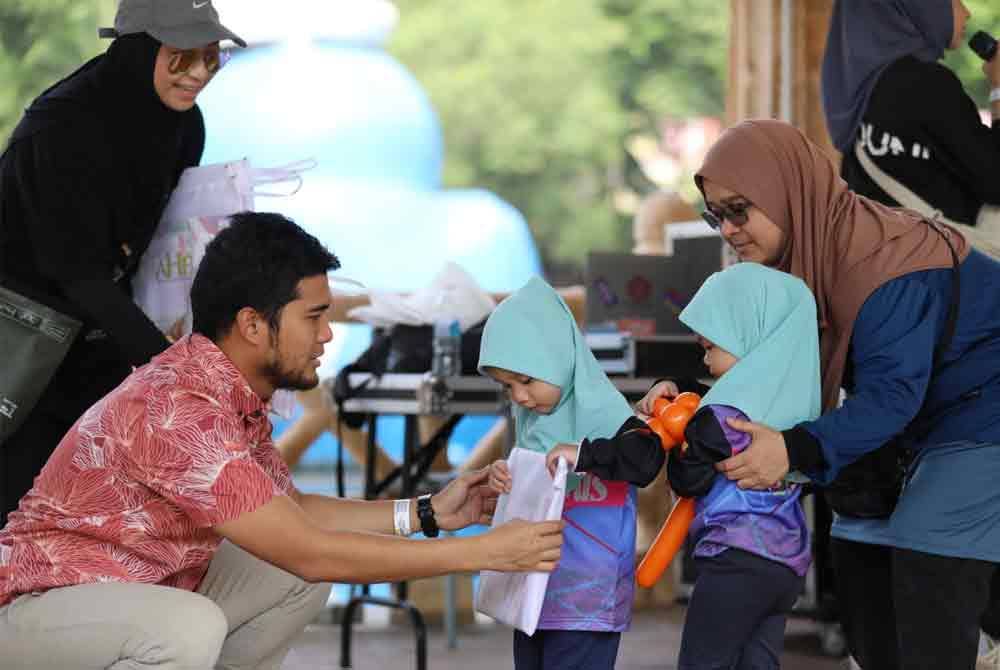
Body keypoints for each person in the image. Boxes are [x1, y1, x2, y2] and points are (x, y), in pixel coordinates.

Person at [0, 212, 564, 670]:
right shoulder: (179, 408)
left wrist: (425, 512)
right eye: (314, 317)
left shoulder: (228, 390)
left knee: (285, 577)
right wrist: (481, 553)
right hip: (35, 609)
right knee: (188, 627)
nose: (327, 334)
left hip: (136, 592)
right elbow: (311, 550)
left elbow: (292, 517)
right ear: (252, 324)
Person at [694, 118, 1000, 670]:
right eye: (715, 215)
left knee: (928, 542)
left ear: (789, 193)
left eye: (739, 209)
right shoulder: (809, 254)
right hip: (926, 416)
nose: (728, 229)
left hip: (985, 403)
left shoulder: (879, 268)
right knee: (858, 528)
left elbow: (888, 400)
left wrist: (791, 449)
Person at [0, 0, 245, 526]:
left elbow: (143, 250)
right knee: (15, 511)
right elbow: (77, 271)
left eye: (212, 57)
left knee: (87, 514)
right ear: (137, 50)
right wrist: (169, 369)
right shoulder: (61, 128)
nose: (200, 73)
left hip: (95, 336)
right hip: (19, 345)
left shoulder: (185, 126)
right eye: (182, 57)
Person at [637, 262, 820, 670]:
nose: (704, 361)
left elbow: (689, 481)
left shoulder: (717, 417)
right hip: (785, 565)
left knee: (703, 662)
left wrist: (673, 439)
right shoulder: (792, 416)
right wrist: (680, 390)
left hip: (734, 562)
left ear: (749, 339)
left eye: (709, 348)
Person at [480, 276, 663, 670]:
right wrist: (506, 476)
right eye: (506, 386)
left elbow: (645, 459)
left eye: (526, 380)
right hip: (532, 597)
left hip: (587, 602)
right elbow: (535, 487)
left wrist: (583, 452)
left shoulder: (605, 413)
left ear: (558, 356)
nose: (519, 397)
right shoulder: (534, 420)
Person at [821, 0, 1000, 239]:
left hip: (882, 261)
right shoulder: (926, 85)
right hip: (938, 266)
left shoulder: (859, 89)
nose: (966, 13)